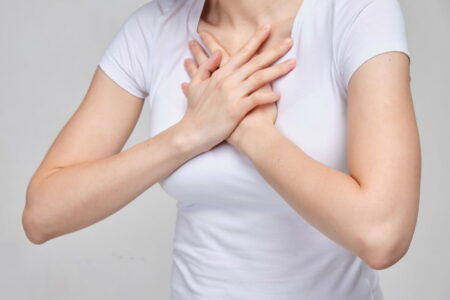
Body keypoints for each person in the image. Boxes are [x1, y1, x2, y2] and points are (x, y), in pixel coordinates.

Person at [22, 0, 421, 299]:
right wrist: (188, 135)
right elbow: (42, 213)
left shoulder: (355, 13)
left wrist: (252, 135)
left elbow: (382, 234)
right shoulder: (154, 28)